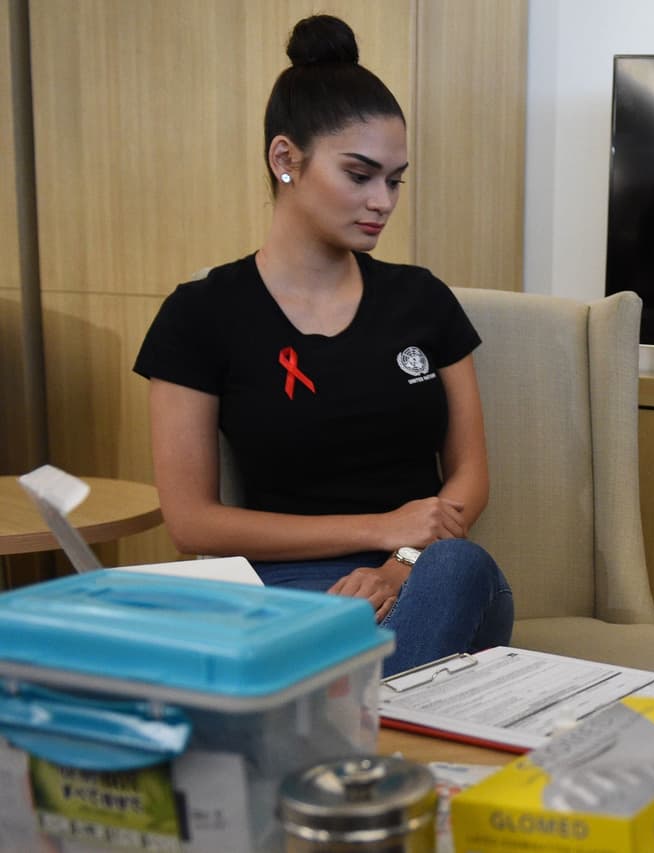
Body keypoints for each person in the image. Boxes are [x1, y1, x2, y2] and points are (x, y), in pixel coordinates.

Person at [133, 15, 513, 676]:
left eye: (394, 180)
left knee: (461, 566)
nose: (382, 201)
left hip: (427, 578)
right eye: (360, 174)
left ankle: (361, 733)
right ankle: (380, 734)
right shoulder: (200, 314)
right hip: (285, 591)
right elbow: (192, 520)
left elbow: (470, 474)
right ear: (286, 159)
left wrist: (401, 565)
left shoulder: (422, 299)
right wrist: (379, 527)